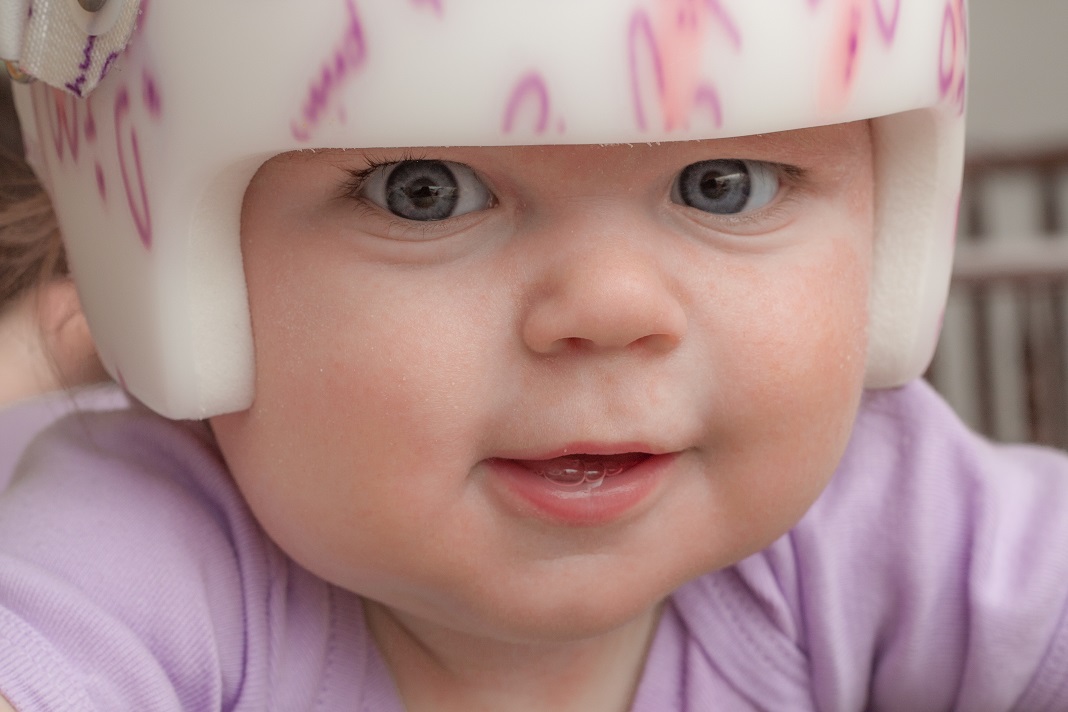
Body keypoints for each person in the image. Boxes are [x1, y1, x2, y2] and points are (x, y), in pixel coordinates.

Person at [1, 0, 1065, 710]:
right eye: (425, 190)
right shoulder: (137, 544)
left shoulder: (869, 505)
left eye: (724, 183)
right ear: (176, 279)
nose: (607, 311)